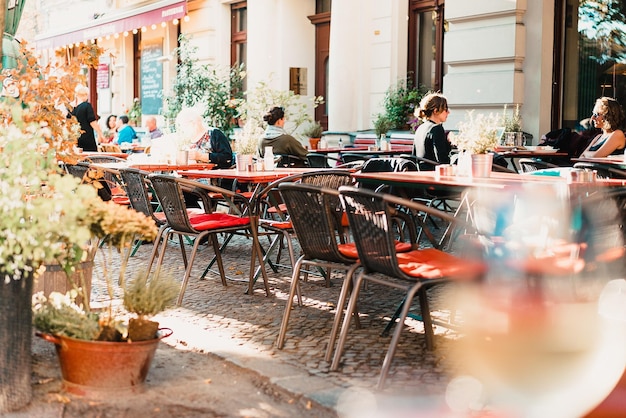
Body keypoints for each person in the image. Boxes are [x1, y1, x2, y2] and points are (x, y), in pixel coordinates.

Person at [412, 92, 451, 169]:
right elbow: (443, 161)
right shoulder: (437, 128)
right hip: (433, 175)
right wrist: (449, 144)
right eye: (445, 109)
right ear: (436, 111)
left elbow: (414, 155)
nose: (448, 112)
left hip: (420, 173)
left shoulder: (420, 128)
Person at [71, 85, 106, 151]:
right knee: (91, 158)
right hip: (87, 138)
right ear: (85, 95)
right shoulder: (87, 106)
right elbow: (92, 121)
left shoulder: (72, 109)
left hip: (75, 138)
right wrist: (100, 134)